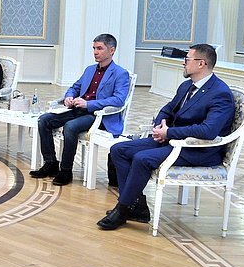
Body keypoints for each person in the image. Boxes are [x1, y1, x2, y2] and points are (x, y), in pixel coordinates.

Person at [98, 44, 235, 230]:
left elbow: (208, 131)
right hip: (173, 141)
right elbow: (167, 109)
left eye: (187, 59)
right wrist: (161, 126)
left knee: (142, 158)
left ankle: (123, 209)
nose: (183, 63)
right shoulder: (186, 86)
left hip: (198, 150)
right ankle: (136, 206)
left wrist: (169, 133)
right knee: (119, 150)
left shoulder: (220, 93)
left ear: (201, 63)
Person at [30, 34, 130, 186]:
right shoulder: (90, 70)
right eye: (94, 48)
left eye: (99, 48)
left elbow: (118, 100)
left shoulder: (120, 73)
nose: (95, 52)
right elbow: (75, 87)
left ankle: (66, 171)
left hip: (98, 116)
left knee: (70, 126)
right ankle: (50, 163)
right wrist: (69, 97)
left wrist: (89, 104)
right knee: (44, 120)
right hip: (78, 110)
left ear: (112, 50)